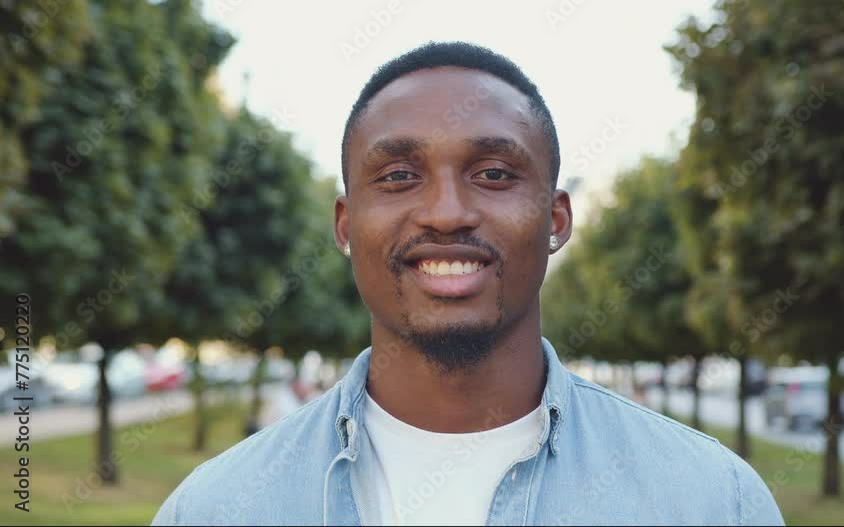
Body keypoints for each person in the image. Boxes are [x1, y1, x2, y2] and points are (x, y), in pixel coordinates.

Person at [152, 41, 784, 526]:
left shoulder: (710, 502)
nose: (447, 213)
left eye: (493, 173)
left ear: (556, 220)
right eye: (399, 176)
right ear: (346, 225)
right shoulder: (216, 509)